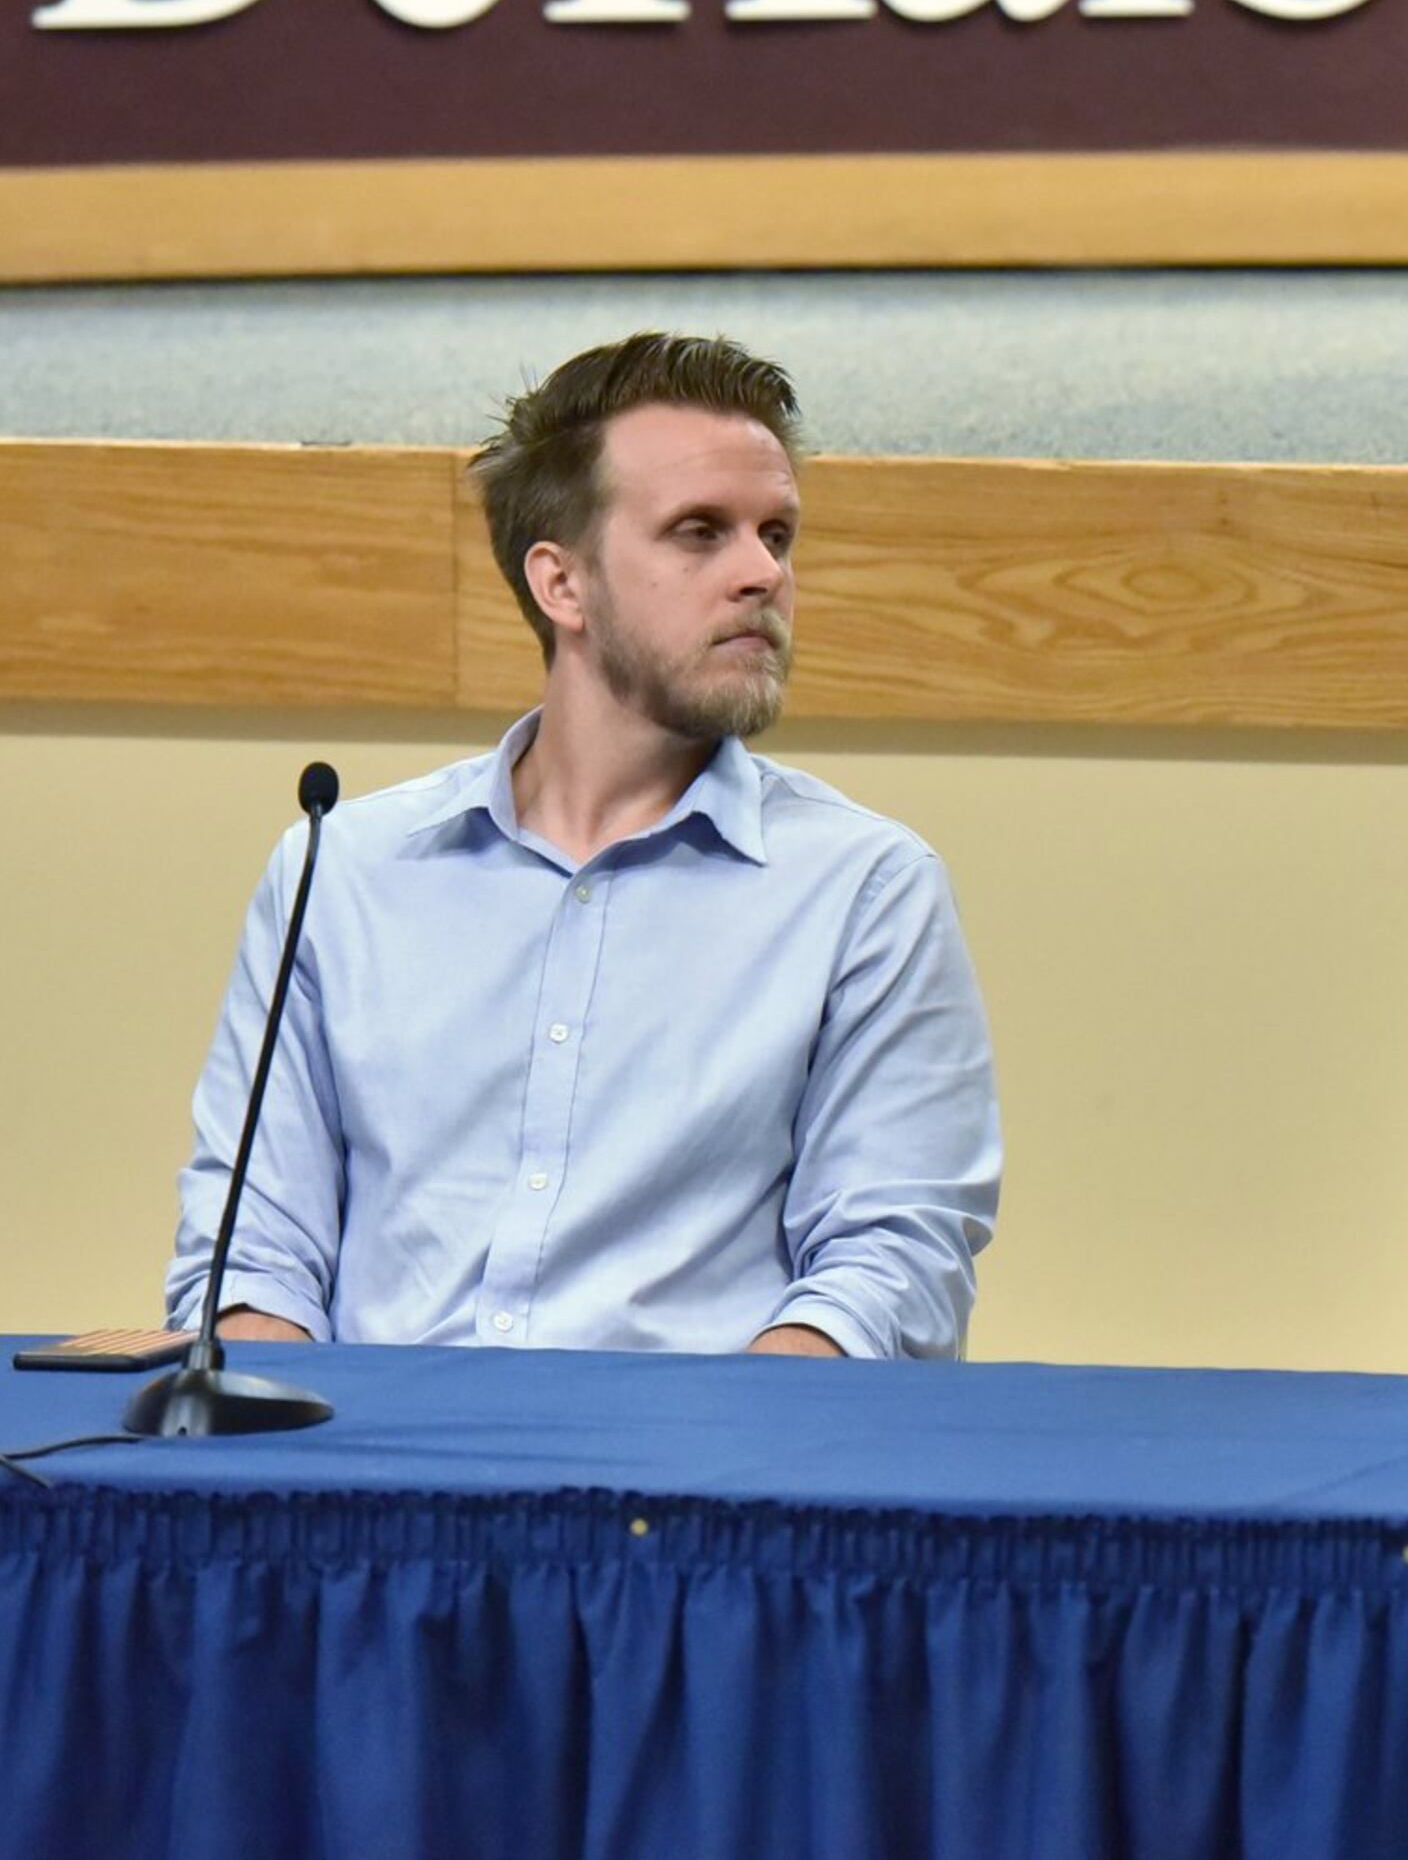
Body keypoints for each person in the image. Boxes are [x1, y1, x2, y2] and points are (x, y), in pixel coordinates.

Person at [162, 333, 1002, 1359]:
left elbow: (889, 1270)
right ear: (563, 584)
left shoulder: (865, 890)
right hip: (373, 1477)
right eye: (701, 531)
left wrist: (691, 1497)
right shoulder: (340, 870)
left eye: (777, 534)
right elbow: (252, 1254)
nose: (762, 574)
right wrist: (300, 1487)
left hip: (698, 1484)